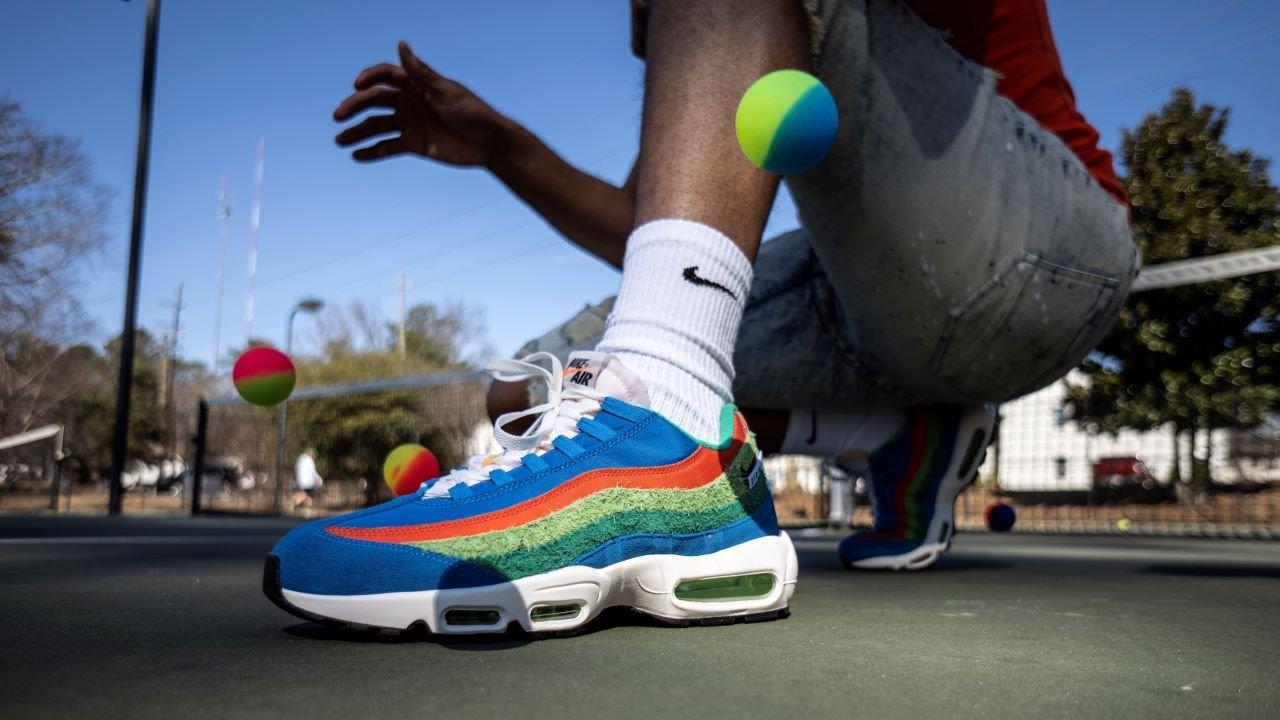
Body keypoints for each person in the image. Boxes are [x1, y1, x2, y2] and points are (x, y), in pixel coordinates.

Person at [265, 0, 1135, 633]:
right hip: (879, 305)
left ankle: (668, 435)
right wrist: (504, 148)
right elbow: (664, 249)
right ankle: (888, 437)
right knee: (526, 388)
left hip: (1043, 255)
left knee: (652, 378)